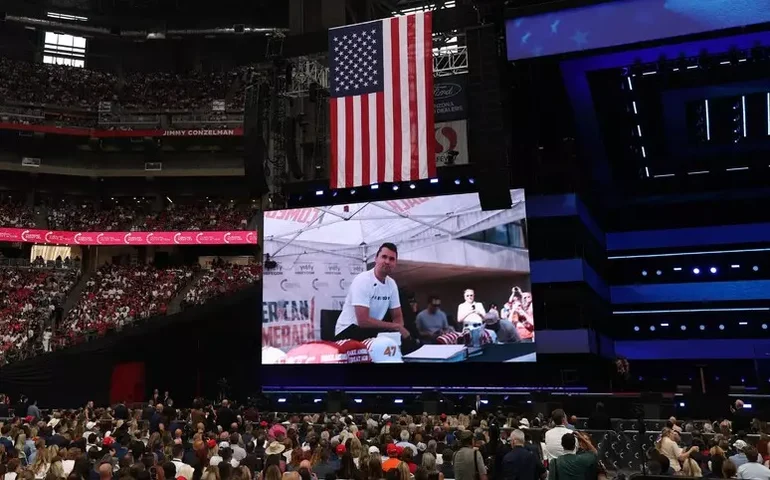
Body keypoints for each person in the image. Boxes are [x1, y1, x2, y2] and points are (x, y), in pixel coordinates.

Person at [334, 243, 410, 341]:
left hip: (369, 332)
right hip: (347, 331)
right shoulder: (363, 280)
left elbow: (398, 317)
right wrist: (395, 327)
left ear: (395, 263)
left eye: (391, 259)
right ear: (376, 259)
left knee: (406, 343)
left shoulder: (391, 284)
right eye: (384, 257)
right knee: (384, 343)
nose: (387, 261)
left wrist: (397, 331)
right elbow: (363, 321)